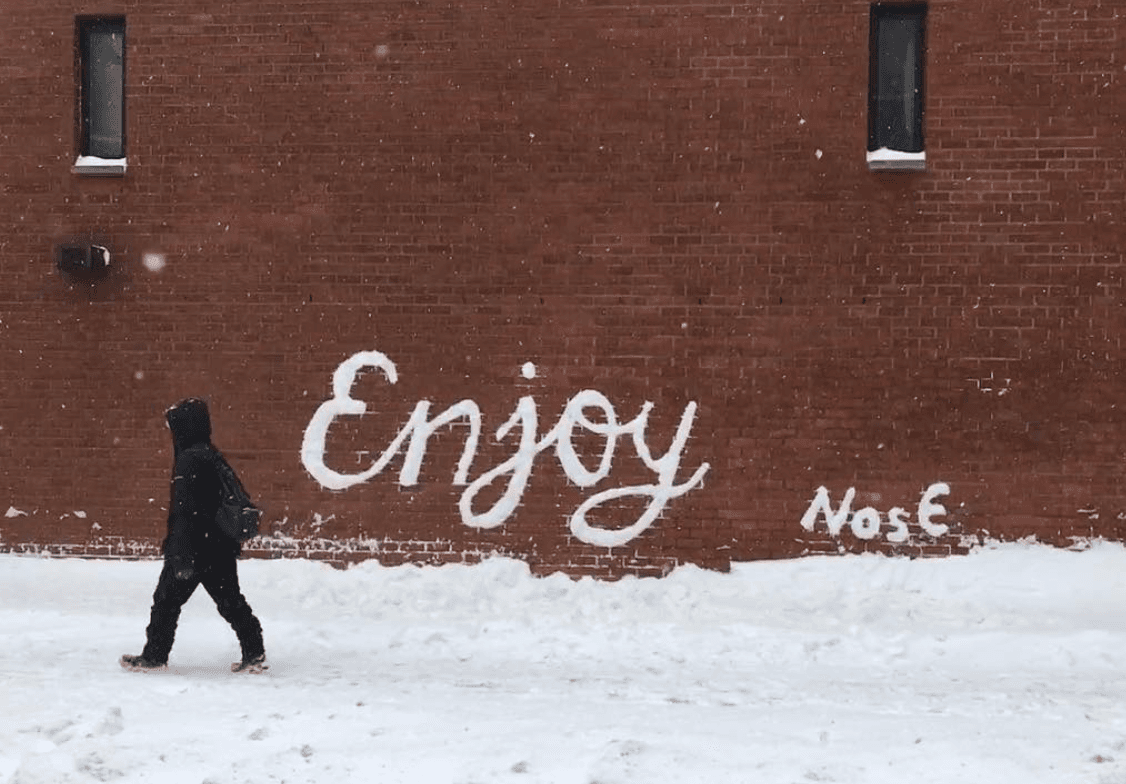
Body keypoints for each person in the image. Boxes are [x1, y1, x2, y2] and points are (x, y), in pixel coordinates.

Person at [121, 398, 266, 673]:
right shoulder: (210, 453)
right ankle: (254, 651)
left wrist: (180, 553)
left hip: (195, 548)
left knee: (166, 601)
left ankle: (154, 657)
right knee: (231, 601)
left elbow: (186, 512)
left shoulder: (189, 460)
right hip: (219, 545)